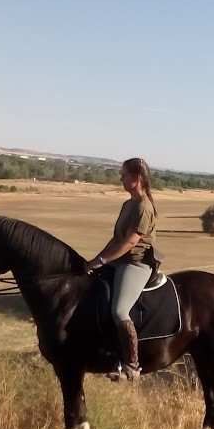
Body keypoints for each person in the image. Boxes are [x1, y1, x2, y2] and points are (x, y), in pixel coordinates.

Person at [87, 157, 160, 380]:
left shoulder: (144, 207)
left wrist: (102, 261)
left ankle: (132, 365)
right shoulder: (127, 204)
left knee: (119, 311)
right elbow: (115, 240)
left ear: (137, 178)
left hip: (136, 263)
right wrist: (95, 260)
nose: (121, 178)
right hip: (119, 260)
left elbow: (129, 242)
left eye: (124, 174)